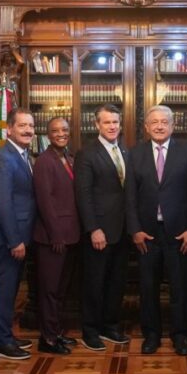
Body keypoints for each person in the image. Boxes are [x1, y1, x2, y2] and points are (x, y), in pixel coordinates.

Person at [126, 105, 187, 356]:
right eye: (154, 122)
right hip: (147, 234)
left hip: (179, 232)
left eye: (164, 122)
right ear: (146, 127)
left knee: (180, 287)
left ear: (172, 126)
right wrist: (135, 229)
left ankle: (180, 335)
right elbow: (129, 197)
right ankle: (151, 335)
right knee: (147, 287)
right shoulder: (135, 154)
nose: (159, 126)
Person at [74, 104, 131, 351]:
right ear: (97, 125)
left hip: (123, 230)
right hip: (99, 231)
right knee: (94, 283)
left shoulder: (125, 152)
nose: (112, 127)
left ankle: (110, 326)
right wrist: (93, 229)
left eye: (115, 122)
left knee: (116, 282)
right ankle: (91, 330)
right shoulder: (87, 154)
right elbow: (83, 195)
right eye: (107, 122)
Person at [0, 108, 37, 360]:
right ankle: (0, 341)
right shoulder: (3, 157)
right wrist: (14, 239)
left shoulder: (23, 155)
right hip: (10, 238)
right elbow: (3, 202)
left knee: (12, 289)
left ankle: (6, 333)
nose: (28, 130)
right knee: (5, 290)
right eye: (22, 126)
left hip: (20, 235)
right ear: (9, 130)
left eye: (31, 126)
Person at [33, 117, 81, 355]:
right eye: (55, 130)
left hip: (71, 236)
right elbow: (45, 202)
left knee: (61, 290)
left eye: (64, 129)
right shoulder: (44, 161)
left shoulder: (69, 159)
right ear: (47, 135)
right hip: (53, 238)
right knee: (50, 290)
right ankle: (48, 339)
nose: (61, 133)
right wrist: (56, 235)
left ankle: (57, 332)